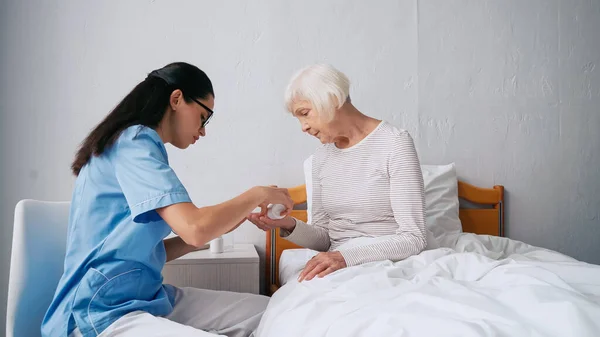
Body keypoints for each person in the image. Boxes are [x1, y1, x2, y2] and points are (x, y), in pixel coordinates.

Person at [41, 62, 294, 337]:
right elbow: (195, 228)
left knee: (274, 313)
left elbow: (150, 249)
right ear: (176, 99)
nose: (204, 130)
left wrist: (230, 221)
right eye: (204, 116)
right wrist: (256, 194)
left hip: (144, 298)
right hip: (98, 310)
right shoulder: (134, 143)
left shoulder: (138, 145)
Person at [248, 64, 427, 282]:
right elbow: (326, 239)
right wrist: (286, 224)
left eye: (305, 114)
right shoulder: (321, 158)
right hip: (340, 264)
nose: (303, 127)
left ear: (333, 99)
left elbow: (414, 238)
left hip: (392, 263)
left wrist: (345, 257)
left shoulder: (395, 143)